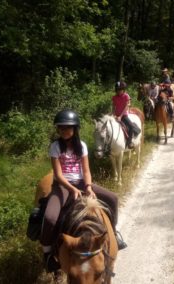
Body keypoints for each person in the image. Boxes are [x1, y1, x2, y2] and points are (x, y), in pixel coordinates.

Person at [40, 109, 127, 272]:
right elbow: (58, 175)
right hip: (63, 186)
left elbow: (86, 170)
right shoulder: (55, 147)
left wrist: (88, 187)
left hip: (82, 182)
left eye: (68, 127)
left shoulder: (82, 146)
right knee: (50, 217)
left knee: (113, 198)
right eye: (61, 128)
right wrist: (72, 189)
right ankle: (48, 255)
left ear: (75, 129)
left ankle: (113, 234)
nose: (64, 131)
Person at [112, 81, 140, 149]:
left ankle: (129, 142)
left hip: (123, 115)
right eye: (117, 89)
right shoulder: (114, 97)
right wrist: (113, 114)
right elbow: (113, 107)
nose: (119, 91)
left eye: (120, 89)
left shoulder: (126, 96)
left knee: (130, 126)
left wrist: (120, 116)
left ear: (123, 89)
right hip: (116, 116)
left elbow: (126, 107)